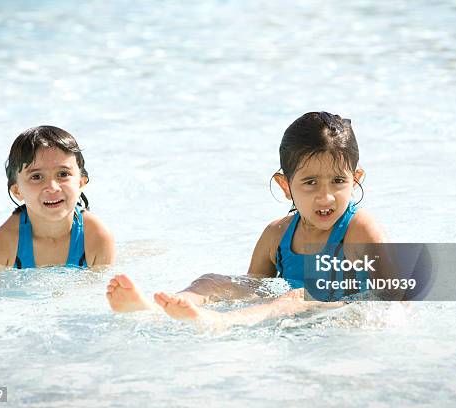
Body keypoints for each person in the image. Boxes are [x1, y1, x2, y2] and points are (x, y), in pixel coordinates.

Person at [107, 112, 386, 325]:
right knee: (211, 280)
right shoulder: (277, 235)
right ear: (285, 186)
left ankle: (219, 323)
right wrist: (221, 291)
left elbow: (396, 296)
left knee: (296, 297)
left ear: (355, 179)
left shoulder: (359, 229)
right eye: (310, 182)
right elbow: (254, 288)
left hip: (338, 319)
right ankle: (157, 308)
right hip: (285, 313)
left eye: (338, 181)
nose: (326, 197)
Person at [0, 126, 115, 271]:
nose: (52, 187)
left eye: (63, 174)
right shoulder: (5, 243)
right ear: (17, 191)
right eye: (36, 177)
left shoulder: (96, 237)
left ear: (81, 183)